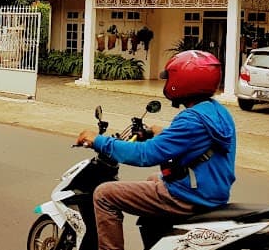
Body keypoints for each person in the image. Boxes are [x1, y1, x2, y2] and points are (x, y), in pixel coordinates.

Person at [75, 50, 237, 250]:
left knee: (103, 194)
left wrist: (99, 141)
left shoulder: (191, 120)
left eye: (171, 78)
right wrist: (158, 132)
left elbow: (145, 154)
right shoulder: (216, 112)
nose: (167, 83)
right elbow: (187, 142)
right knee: (154, 178)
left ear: (185, 80)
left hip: (189, 196)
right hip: (212, 190)